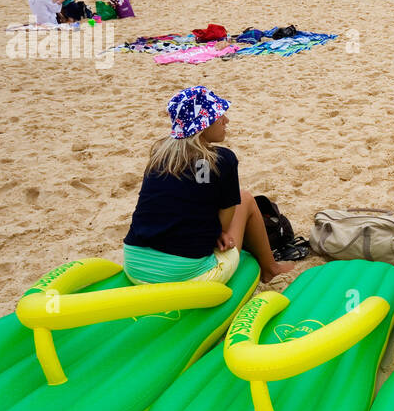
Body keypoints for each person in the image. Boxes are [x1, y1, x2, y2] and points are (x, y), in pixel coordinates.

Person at [123, 87, 293, 287]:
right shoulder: (222, 159)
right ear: (202, 125)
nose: (226, 120)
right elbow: (222, 222)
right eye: (219, 115)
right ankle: (271, 269)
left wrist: (212, 229)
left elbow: (173, 199)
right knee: (245, 199)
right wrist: (216, 231)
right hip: (186, 275)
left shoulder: (160, 157)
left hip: (134, 266)